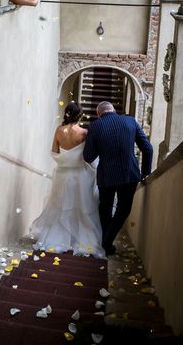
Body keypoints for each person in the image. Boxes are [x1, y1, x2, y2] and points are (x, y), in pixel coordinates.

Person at [30, 102, 105, 258]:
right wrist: (92, 166)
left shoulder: (59, 131)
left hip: (63, 175)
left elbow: (54, 153)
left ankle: (57, 238)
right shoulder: (84, 132)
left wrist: (66, 162)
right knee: (82, 208)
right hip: (81, 176)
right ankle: (81, 240)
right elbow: (89, 155)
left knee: (61, 207)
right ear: (80, 115)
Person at [83, 101, 152, 256]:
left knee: (105, 209)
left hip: (106, 175)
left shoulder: (95, 126)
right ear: (113, 110)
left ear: (99, 113)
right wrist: (145, 172)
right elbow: (147, 148)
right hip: (130, 174)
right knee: (123, 209)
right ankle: (107, 243)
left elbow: (88, 157)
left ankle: (105, 243)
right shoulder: (130, 121)